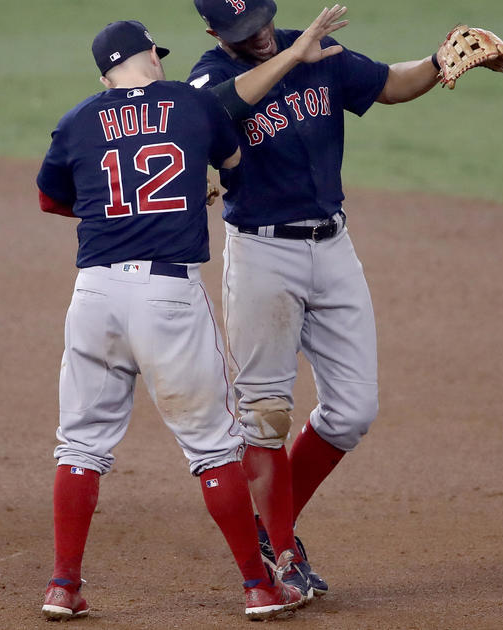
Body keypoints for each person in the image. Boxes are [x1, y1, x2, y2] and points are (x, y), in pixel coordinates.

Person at [34, 12, 354, 621]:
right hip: (166, 296)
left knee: (80, 443)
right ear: (150, 56)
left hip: (94, 295)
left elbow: (53, 197)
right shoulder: (189, 103)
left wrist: (115, 207)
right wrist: (189, 190)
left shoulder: (76, 120)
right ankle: (259, 588)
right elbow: (232, 169)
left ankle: (61, 585)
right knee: (213, 448)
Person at [187, 0, 444, 599]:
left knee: (353, 410)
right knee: (267, 415)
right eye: (240, 33)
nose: (256, 38)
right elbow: (212, 113)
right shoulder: (207, 75)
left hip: (333, 247)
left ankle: (269, 528)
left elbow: (387, 84)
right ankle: (280, 552)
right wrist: (290, 59)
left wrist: (438, 62)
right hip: (261, 254)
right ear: (213, 33)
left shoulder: (319, 50)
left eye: (261, 24)